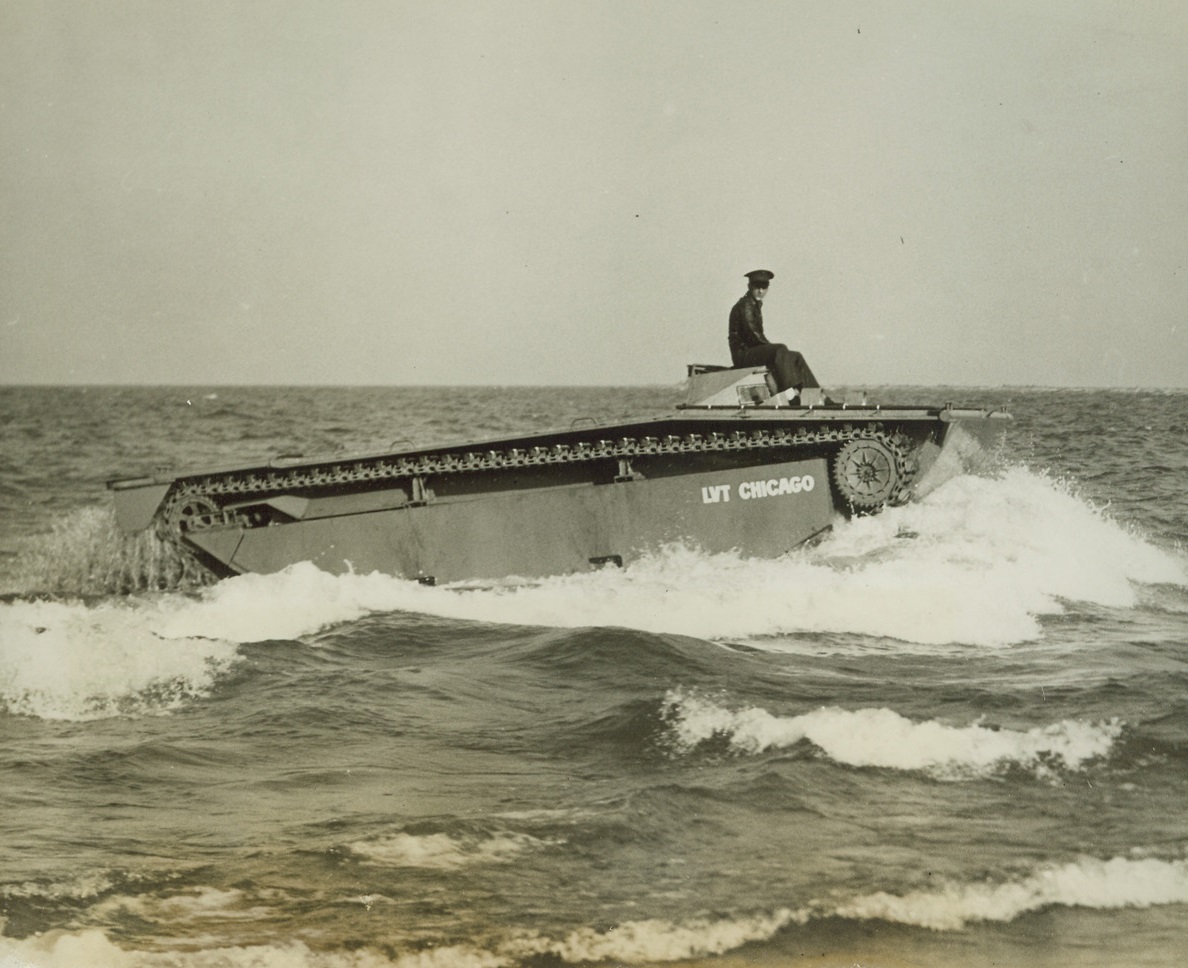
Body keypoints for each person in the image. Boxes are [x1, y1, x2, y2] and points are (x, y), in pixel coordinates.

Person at [727, 269, 820, 396]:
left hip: (751, 353)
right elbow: (754, 337)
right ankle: (791, 395)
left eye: (764, 287)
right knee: (780, 349)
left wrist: (779, 353)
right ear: (749, 286)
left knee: (796, 356)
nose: (761, 291)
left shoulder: (754, 304)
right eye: (757, 287)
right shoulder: (746, 306)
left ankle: (816, 395)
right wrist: (776, 352)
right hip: (743, 356)